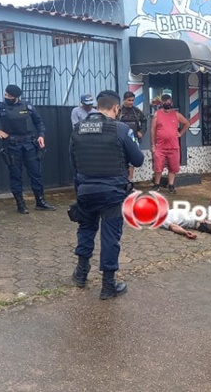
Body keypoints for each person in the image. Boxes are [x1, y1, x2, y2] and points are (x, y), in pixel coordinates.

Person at [69, 90, 144, 300]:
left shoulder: (77, 129)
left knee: (85, 229)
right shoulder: (120, 129)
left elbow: (72, 162)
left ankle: (81, 274)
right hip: (112, 193)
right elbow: (138, 160)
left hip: (85, 190)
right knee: (110, 236)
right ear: (116, 108)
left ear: (97, 106)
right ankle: (108, 286)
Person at [0, 84, 56, 214]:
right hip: (12, 145)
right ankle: (21, 205)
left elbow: (39, 122)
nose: (6, 97)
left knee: (36, 173)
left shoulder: (27, 105)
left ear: (16, 97)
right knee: (16, 175)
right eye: (5, 94)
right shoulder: (0, 106)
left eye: (9, 96)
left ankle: (40, 202)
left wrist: (41, 136)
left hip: (30, 144)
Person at [150, 93, 190, 194]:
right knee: (158, 166)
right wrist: (153, 145)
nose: (167, 103)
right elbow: (152, 130)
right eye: (165, 101)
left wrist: (180, 133)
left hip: (173, 146)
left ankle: (171, 185)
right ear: (162, 102)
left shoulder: (176, 114)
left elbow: (187, 123)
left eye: (169, 101)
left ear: (171, 102)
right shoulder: (157, 114)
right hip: (160, 146)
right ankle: (157, 184)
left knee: (173, 167)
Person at [119, 91, 147, 181]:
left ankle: (129, 181)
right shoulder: (118, 111)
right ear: (124, 100)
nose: (131, 102)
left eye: (132, 100)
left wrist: (141, 132)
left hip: (133, 139)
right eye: (129, 100)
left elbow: (144, 121)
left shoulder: (136, 111)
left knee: (131, 162)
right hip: (120, 140)